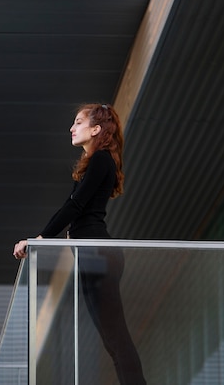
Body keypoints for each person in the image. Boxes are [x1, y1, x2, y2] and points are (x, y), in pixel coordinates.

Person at [13, 103, 146, 385]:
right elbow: (75, 207)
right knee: (112, 340)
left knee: (116, 338)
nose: (72, 128)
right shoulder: (95, 163)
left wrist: (40, 239)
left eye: (78, 122)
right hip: (91, 256)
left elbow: (75, 206)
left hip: (98, 255)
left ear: (96, 129)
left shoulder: (101, 160)